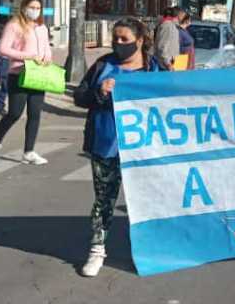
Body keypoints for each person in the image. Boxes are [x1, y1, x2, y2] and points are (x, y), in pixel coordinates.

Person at [74, 18, 165, 277]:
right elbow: (80, 97)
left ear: (139, 41)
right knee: (104, 201)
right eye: (115, 38)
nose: (118, 43)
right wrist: (99, 93)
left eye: (124, 39)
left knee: (145, 201)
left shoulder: (155, 69)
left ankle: (146, 251)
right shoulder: (103, 65)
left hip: (145, 148)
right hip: (106, 145)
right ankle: (97, 250)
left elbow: (173, 99)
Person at [0, 0, 53, 165]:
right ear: (24, 8)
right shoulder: (14, 25)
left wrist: (47, 58)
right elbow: (3, 49)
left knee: (35, 113)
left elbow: (46, 47)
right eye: (32, 7)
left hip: (38, 74)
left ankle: (29, 151)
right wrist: (29, 56)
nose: (35, 11)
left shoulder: (42, 28)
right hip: (19, 73)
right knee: (15, 112)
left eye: (38, 8)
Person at [154, 7, 182, 71]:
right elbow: (162, 46)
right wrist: (167, 63)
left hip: (173, 61)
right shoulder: (167, 25)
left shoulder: (173, 25)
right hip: (167, 64)